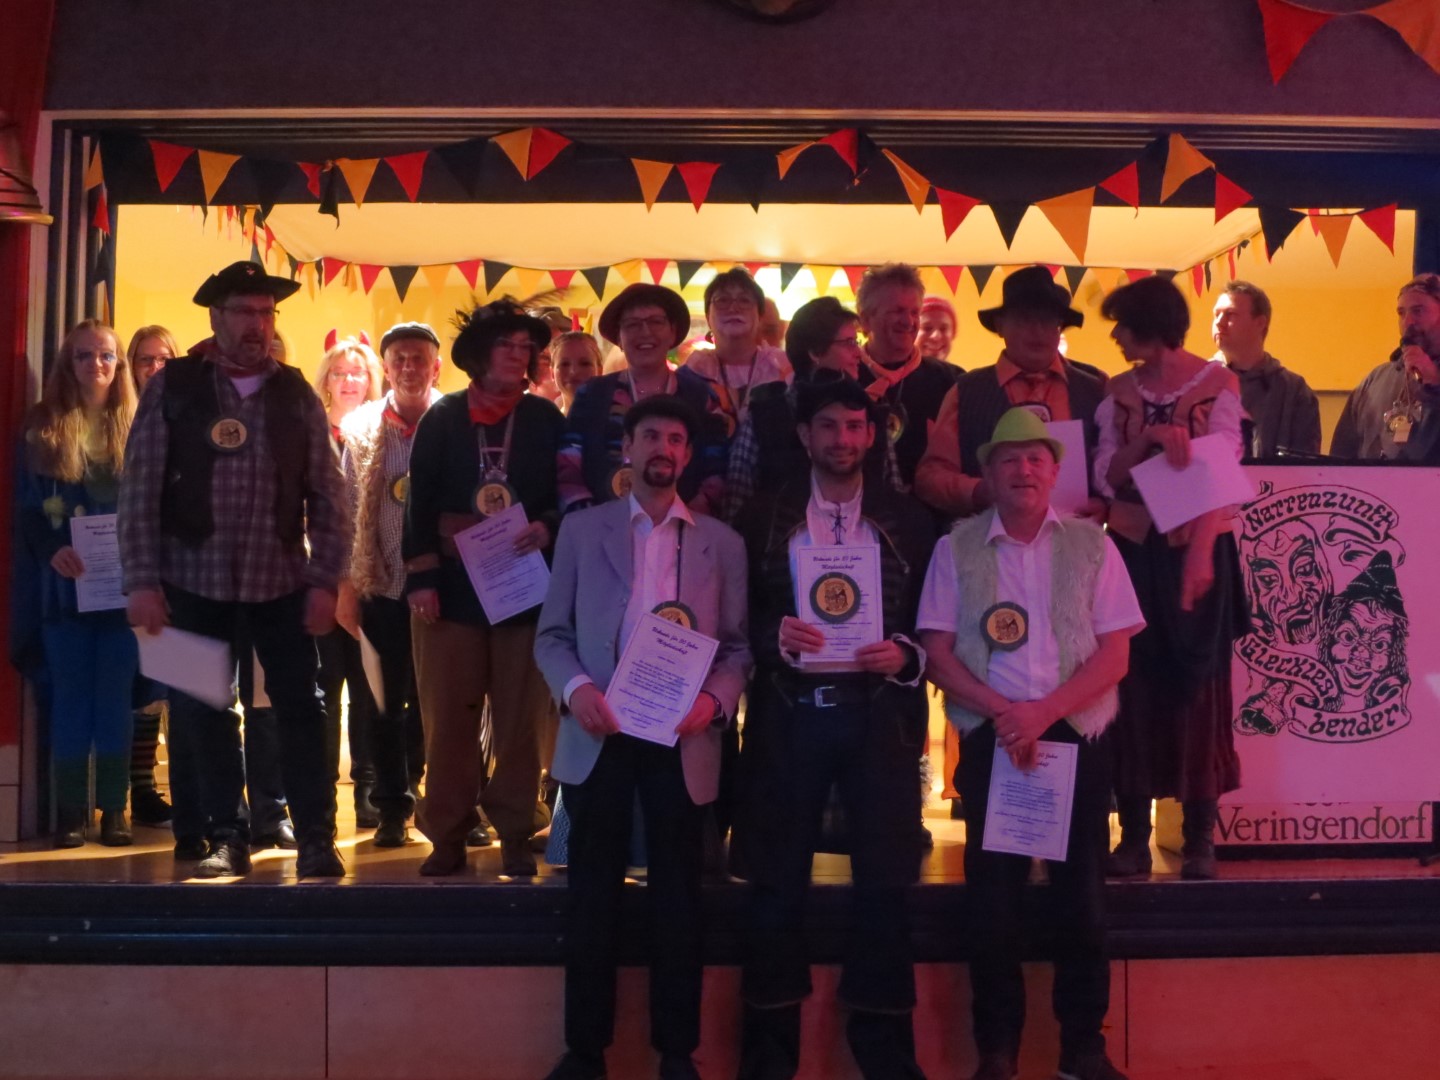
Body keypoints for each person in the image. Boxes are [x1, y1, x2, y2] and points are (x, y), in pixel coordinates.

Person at [919, 407, 1144, 1080]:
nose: (1023, 469)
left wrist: (1044, 713)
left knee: (1084, 903)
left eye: (1036, 459)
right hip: (995, 743)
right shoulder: (954, 548)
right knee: (994, 908)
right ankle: (998, 1054)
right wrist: (1008, 715)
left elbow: (1115, 656)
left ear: (1054, 471)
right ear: (988, 473)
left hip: (1075, 737)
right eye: (1009, 459)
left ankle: (1083, 1050)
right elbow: (936, 654)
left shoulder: (1093, 545)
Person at [534, 395, 752, 1080]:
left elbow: (738, 648)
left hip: (681, 739)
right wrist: (578, 691)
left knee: (679, 901)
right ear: (626, 448)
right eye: (651, 435)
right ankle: (584, 1052)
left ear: (687, 455)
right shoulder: (583, 530)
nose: (664, 448)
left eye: (677, 439)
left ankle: (677, 1053)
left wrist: (714, 702)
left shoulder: (722, 544)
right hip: (600, 730)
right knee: (591, 897)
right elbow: (552, 635)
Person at [118, 259, 352, 879]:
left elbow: (331, 496)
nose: (257, 324)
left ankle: (316, 838)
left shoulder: (296, 392)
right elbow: (138, 490)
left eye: (266, 312)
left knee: (302, 710)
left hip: (283, 583)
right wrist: (141, 581)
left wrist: (325, 579)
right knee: (201, 710)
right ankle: (225, 836)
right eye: (245, 312)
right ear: (216, 318)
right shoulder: (173, 387)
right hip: (186, 582)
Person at [733, 377, 935, 1080]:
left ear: (871, 435)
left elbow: (935, 623)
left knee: (887, 886)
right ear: (804, 435)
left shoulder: (910, 519)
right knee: (774, 884)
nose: (842, 439)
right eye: (828, 426)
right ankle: (767, 1060)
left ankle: (885, 1056)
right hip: (787, 714)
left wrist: (904, 652)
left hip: (880, 719)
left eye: (854, 426)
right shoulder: (763, 516)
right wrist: (773, 636)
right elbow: (736, 620)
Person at [1094, 275, 1250, 881]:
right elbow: (1107, 476)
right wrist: (1149, 439)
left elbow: (1222, 471)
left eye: (1123, 325)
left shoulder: (1218, 384)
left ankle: (1200, 839)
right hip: (1134, 552)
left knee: (1199, 687)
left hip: (1198, 547)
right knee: (1132, 685)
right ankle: (1133, 836)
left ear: (1151, 326)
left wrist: (1202, 553)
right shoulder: (1117, 393)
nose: (1116, 336)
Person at [403, 298, 564, 877]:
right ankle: (447, 833)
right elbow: (419, 503)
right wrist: (422, 578)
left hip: (525, 587)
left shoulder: (545, 419)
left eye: (526, 347)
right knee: (449, 718)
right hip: (451, 593)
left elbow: (566, 493)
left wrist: (549, 524)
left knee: (521, 720)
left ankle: (516, 831)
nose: (519, 355)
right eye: (506, 345)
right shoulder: (443, 417)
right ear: (478, 354)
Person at [18, 321, 139, 847]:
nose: (96, 365)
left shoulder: (138, 424)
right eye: (84, 356)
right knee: (69, 699)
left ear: (119, 364)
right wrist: (52, 548)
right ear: (68, 363)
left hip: (123, 588)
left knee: (114, 700)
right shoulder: (43, 425)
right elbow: (26, 507)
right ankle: (71, 813)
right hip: (64, 588)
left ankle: (113, 810)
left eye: (106, 356)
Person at [336, 321, 443, 848]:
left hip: (442, 589)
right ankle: (391, 808)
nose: (408, 367)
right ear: (386, 368)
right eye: (399, 358)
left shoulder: (453, 422)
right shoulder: (359, 430)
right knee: (382, 702)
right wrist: (346, 588)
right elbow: (344, 513)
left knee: (437, 702)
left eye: (418, 357)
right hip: (380, 587)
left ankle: (436, 800)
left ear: (436, 367)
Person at [915, 266, 1108, 522]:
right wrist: (978, 491)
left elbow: (1116, 465)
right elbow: (930, 477)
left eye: (1048, 321)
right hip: (990, 540)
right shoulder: (966, 391)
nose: (1037, 330)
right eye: (1025, 319)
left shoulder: (1096, 387)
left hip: (1075, 537)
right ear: (1000, 326)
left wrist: (1106, 504)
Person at [725, 297, 904, 521]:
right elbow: (736, 509)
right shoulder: (765, 415)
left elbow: (896, 509)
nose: (858, 352)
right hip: (780, 540)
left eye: (857, 342)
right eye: (849, 343)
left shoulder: (872, 414)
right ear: (815, 353)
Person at [556, 283, 727, 515]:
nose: (645, 332)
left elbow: (717, 473)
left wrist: (683, 520)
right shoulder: (591, 394)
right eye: (632, 324)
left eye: (656, 322)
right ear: (619, 338)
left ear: (673, 333)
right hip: (600, 527)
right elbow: (568, 466)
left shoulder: (702, 396)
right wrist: (590, 517)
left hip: (682, 528)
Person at [313, 334, 382, 827]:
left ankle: (368, 790)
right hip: (317, 579)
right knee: (323, 689)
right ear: (326, 381)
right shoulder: (311, 432)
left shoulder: (382, 433)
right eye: (340, 373)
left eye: (358, 372)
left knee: (367, 689)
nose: (349, 381)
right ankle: (318, 795)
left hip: (370, 580)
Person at [123, 324, 179, 828]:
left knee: (164, 686)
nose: (155, 368)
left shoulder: (184, 415)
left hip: (176, 571)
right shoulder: (119, 417)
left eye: (164, 359)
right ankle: (130, 789)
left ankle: (154, 790)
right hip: (122, 572)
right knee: (132, 685)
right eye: (145, 359)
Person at [854, 263, 961, 488]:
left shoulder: (951, 381)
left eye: (914, 312)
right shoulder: (845, 378)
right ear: (865, 320)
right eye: (897, 311)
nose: (908, 321)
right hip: (861, 506)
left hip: (931, 508)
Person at [1332, 274, 1440, 460]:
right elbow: (1341, 454)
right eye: (1401, 313)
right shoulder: (1375, 380)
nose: (1408, 321)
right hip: (1371, 480)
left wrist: (1435, 383)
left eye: (1418, 311)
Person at [1210, 281, 1321, 459]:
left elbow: (1305, 465)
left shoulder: (1294, 390)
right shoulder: (1198, 383)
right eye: (1216, 314)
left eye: (1230, 314)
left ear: (1260, 323)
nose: (1219, 322)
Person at [683, 268, 790, 432]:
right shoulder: (692, 373)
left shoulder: (783, 371)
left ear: (759, 316)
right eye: (722, 300)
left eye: (745, 300)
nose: (734, 308)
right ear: (708, 317)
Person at [551, 330, 602, 415]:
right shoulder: (547, 422)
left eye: (585, 364)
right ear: (552, 374)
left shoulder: (617, 418)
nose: (574, 371)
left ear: (600, 371)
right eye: (564, 364)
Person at [917, 294, 957, 364]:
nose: (936, 336)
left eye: (943, 329)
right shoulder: (897, 369)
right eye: (927, 328)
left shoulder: (957, 371)